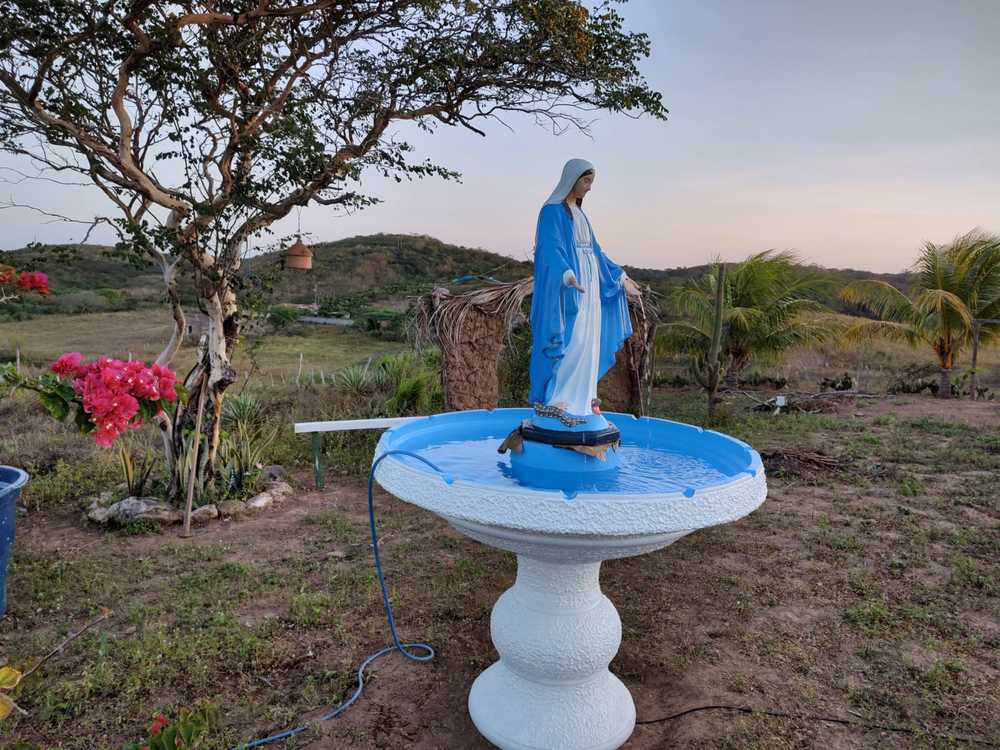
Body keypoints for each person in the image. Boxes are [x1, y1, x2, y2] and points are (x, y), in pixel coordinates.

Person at [528, 159, 633, 419]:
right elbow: (549, 248)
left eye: (591, 182)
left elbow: (596, 252)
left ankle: (583, 399)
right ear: (571, 179)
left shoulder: (580, 213)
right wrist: (566, 274)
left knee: (588, 341)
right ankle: (558, 397)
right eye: (586, 181)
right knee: (572, 339)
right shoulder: (552, 211)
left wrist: (621, 278)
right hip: (570, 289)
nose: (589, 187)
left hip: (591, 286)